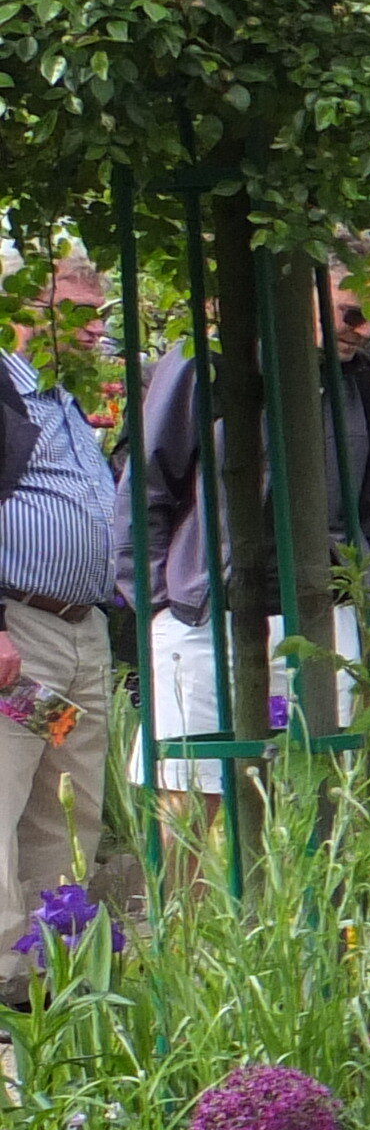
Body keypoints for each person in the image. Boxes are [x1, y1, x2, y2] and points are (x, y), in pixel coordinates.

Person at [134, 265, 370, 835]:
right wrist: (161, 594)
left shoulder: (368, 392)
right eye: (349, 313)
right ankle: (191, 926)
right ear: (294, 295)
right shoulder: (204, 364)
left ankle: (316, 926)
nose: (364, 331)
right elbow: (147, 485)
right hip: (205, 613)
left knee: (324, 796)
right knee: (191, 802)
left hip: (322, 620)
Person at [0, 310, 127, 958]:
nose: (92, 329)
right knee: (3, 794)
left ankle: (49, 972)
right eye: (76, 313)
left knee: (65, 801)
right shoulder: (3, 389)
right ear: (26, 309)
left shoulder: (67, 400)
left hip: (81, 634)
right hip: (20, 637)